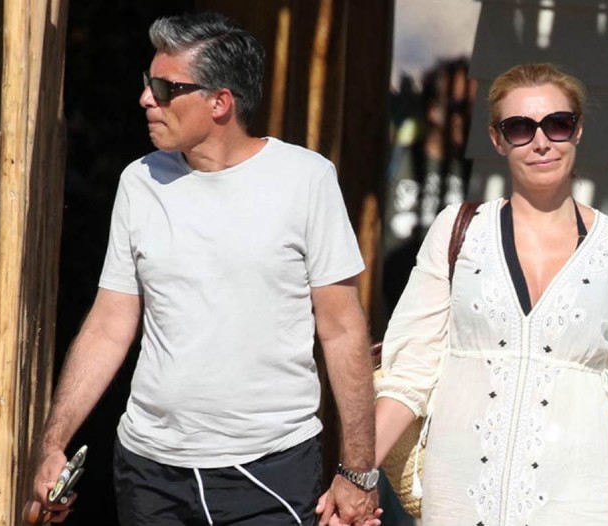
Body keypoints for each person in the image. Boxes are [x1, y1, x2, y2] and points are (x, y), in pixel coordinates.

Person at [29, 12, 380, 526]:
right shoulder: (139, 182)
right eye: (147, 83)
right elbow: (108, 324)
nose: (146, 99)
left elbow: (342, 327)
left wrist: (359, 472)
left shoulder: (306, 179)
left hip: (269, 468)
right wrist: (53, 443)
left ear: (220, 102)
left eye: (164, 88)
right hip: (149, 471)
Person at [372, 63, 608, 526]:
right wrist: (355, 473)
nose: (541, 141)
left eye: (557, 123)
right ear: (497, 139)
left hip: (579, 502)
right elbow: (409, 373)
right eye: (520, 128)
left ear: (577, 130)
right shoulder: (458, 230)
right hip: (459, 498)